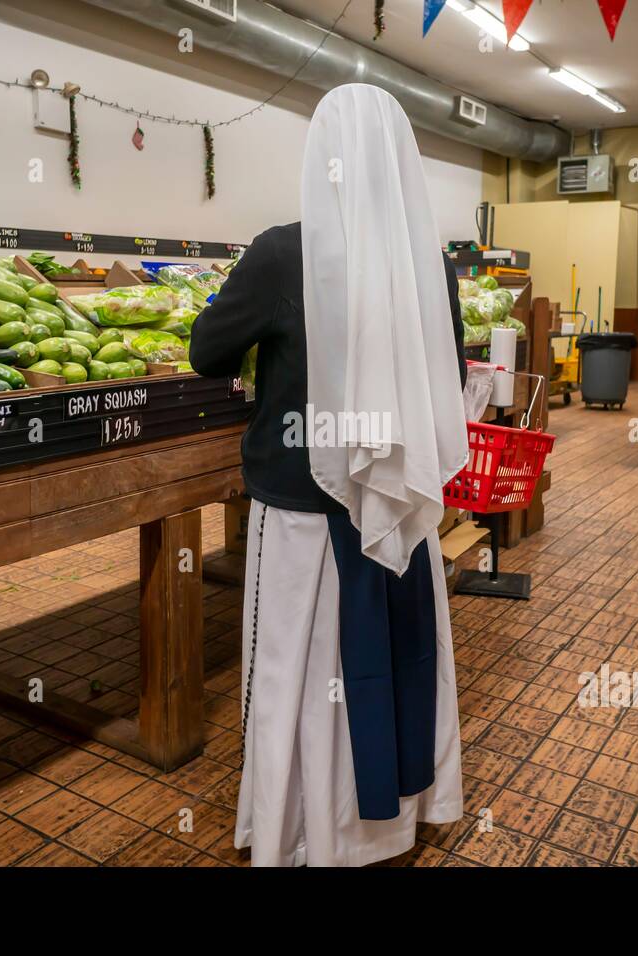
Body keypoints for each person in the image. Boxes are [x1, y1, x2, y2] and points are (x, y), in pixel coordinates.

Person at [189, 83, 470, 866]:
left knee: (298, 674)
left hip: (304, 510)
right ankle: (394, 819)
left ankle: (297, 831)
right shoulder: (429, 262)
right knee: (394, 658)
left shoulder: (284, 251)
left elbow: (205, 349)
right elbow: (444, 371)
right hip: (397, 509)